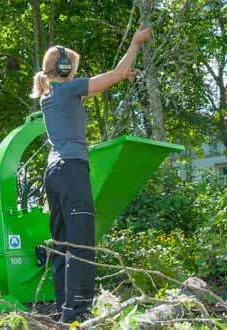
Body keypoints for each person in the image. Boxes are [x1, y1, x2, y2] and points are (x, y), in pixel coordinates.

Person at [29, 26, 152, 323]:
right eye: (73, 67)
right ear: (64, 68)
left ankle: (64, 306)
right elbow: (113, 75)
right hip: (72, 169)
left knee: (62, 243)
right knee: (81, 240)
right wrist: (134, 43)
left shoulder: (51, 94)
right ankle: (78, 313)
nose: (76, 72)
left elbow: (113, 78)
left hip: (54, 173)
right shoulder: (66, 88)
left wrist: (124, 74)